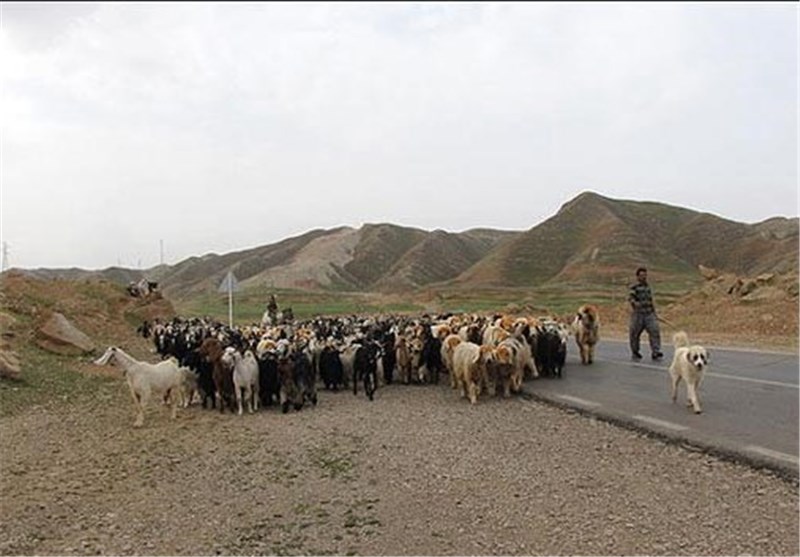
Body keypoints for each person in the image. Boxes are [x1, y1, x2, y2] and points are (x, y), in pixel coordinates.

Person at [628, 266, 663, 361]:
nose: (644, 277)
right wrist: (635, 304)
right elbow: (631, 298)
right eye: (642, 275)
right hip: (638, 314)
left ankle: (656, 351)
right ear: (637, 276)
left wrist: (654, 312)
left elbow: (651, 300)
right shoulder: (634, 287)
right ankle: (635, 351)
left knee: (654, 331)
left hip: (649, 314)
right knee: (634, 334)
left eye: (645, 275)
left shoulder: (648, 287)